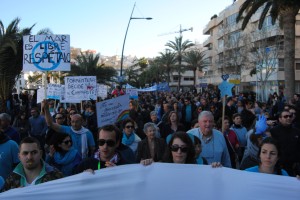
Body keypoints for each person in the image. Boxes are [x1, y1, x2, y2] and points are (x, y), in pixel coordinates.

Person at [270, 110, 300, 176]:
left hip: (293, 166)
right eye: (285, 116)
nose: (288, 118)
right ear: (280, 119)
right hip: (278, 165)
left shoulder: (297, 131)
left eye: (290, 116)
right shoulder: (273, 131)